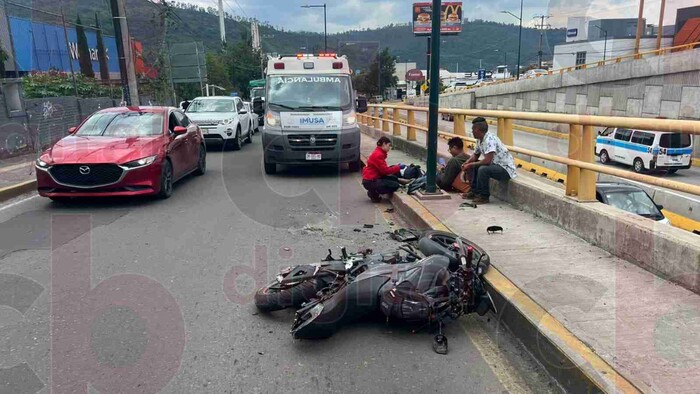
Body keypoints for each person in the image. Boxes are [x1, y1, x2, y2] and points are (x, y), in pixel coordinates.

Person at [461, 117, 517, 204]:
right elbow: (476, 155)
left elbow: (487, 161)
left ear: (477, 130)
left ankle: (484, 196)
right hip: (494, 165)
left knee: (482, 169)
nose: (472, 131)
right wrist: (467, 162)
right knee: (474, 165)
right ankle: (474, 192)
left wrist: (470, 165)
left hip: (505, 168)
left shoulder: (489, 140)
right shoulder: (480, 140)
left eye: (473, 129)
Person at [362, 136, 412, 202]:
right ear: (384, 144)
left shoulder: (379, 153)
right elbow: (385, 171)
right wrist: (398, 167)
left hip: (373, 178)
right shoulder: (378, 155)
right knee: (394, 185)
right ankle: (374, 192)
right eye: (389, 145)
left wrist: (396, 167)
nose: (389, 148)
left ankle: (402, 181)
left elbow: (383, 170)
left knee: (393, 178)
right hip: (371, 181)